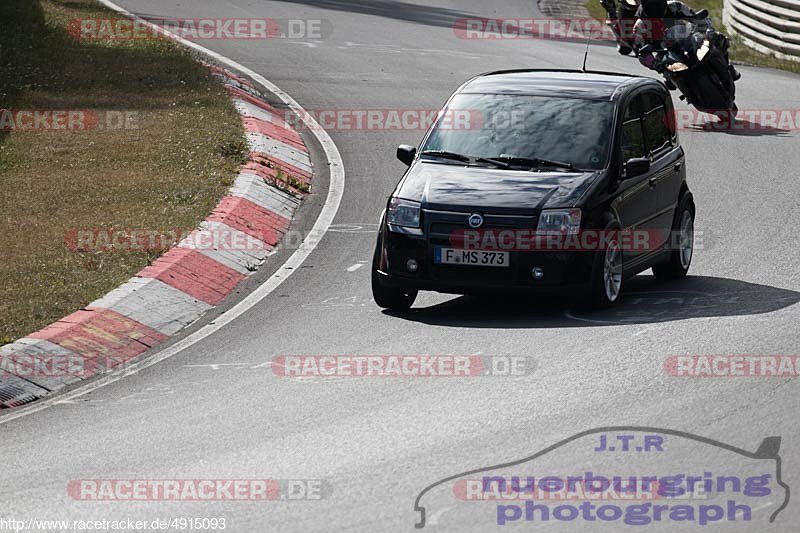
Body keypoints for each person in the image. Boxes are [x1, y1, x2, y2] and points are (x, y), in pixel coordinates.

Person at [633, 0, 741, 81]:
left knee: (718, 38)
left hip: (687, 41)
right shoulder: (640, 25)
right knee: (669, 77)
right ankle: (676, 82)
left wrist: (708, 31)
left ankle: (728, 68)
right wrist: (654, 64)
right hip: (666, 54)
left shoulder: (676, 7)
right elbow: (641, 53)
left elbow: (697, 18)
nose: (654, 6)